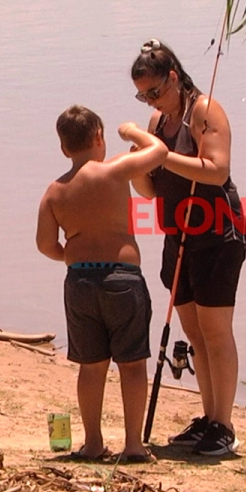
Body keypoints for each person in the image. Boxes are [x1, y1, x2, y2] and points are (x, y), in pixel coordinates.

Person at [129, 39, 246, 456]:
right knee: (194, 331)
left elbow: (217, 171)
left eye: (155, 92)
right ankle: (208, 417)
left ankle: (224, 425)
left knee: (216, 332)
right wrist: (139, 165)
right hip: (178, 234)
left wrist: (160, 157)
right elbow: (147, 191)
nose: (150, 101)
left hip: (218, 232)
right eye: (143, 95)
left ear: (174, 77)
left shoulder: (205, 111)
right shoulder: (157, 123)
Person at [36, 105, 167, 462]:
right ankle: (134, 445)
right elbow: (160, 152)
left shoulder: (54, 191)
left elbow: (45, 244)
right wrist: (133, 131)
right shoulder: (115, 170)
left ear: (64, 148)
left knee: (91, 365)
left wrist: (71, 255)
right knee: (132, 363)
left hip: (79, 281)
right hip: (122, 278)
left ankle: (93, 442)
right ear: (99, 138)